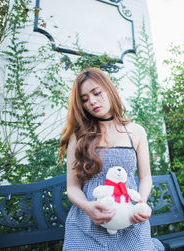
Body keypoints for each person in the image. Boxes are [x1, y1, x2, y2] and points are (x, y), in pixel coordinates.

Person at [59, 68, 164, 250]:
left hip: (129, 219)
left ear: (109, 89)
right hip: (88, 223)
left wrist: (141, 204)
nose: (92, 101)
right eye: (84, 99)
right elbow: (73, 187)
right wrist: (87, 207)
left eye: (96, 93)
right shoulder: (79, 136)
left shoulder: (136, 132)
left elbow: (145, 177)